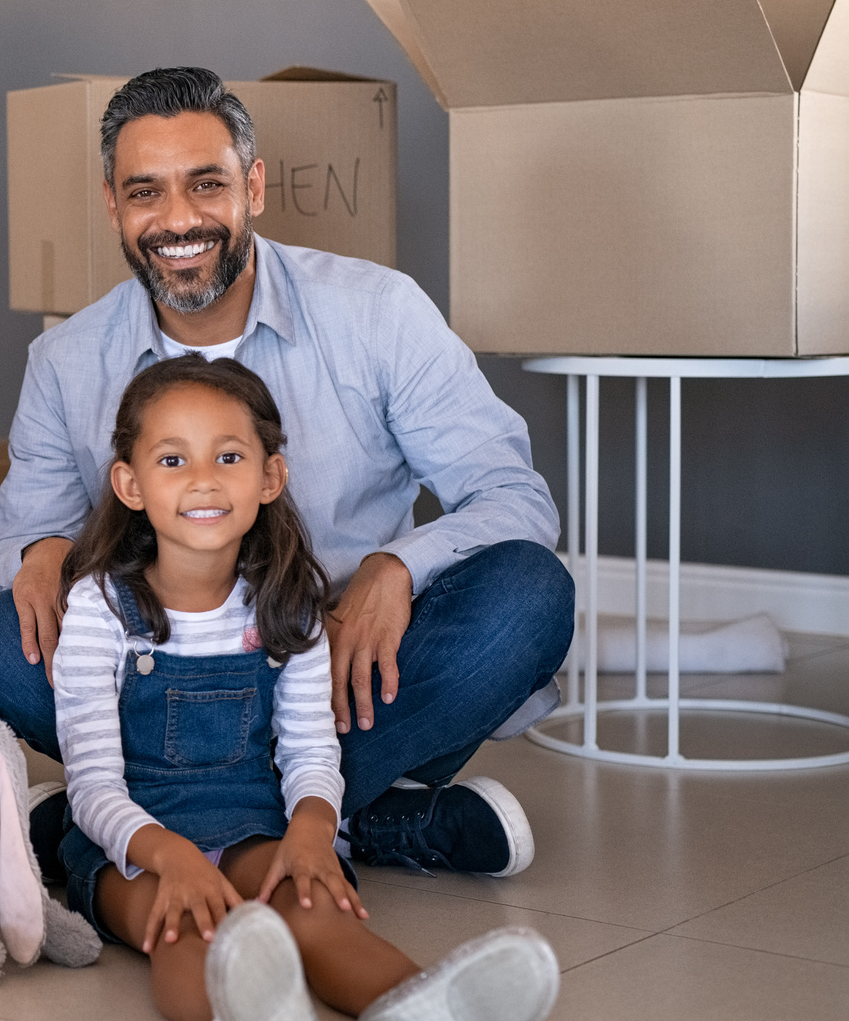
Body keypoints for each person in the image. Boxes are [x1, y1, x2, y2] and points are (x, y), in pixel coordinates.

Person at [0, 66, 574, 878]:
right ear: (113, 203)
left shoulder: (378, 311)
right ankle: (354, 820)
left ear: (252, 186)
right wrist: (42, 549)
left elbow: (515, 497)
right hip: (164, 680)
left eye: (206, 184)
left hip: (339, 676)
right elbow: (5, 558)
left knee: (530, 594)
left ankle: (127, 820)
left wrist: (397, 567)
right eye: (146, 192)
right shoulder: (65, 361)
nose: (177, 220)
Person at [54, 353, 558, 1021]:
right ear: (129, 483)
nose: (203, 480)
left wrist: (313, 829)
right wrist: (169, 855)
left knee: (319, 911)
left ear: (270, 476)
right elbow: (92, 785)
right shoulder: (99, 607)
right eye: (173, 460)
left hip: (253, 820)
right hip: (131, 846)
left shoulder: (287, 606)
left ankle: (428, 1004)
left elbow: (311, 751)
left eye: (228, 457)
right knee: (189, 929)